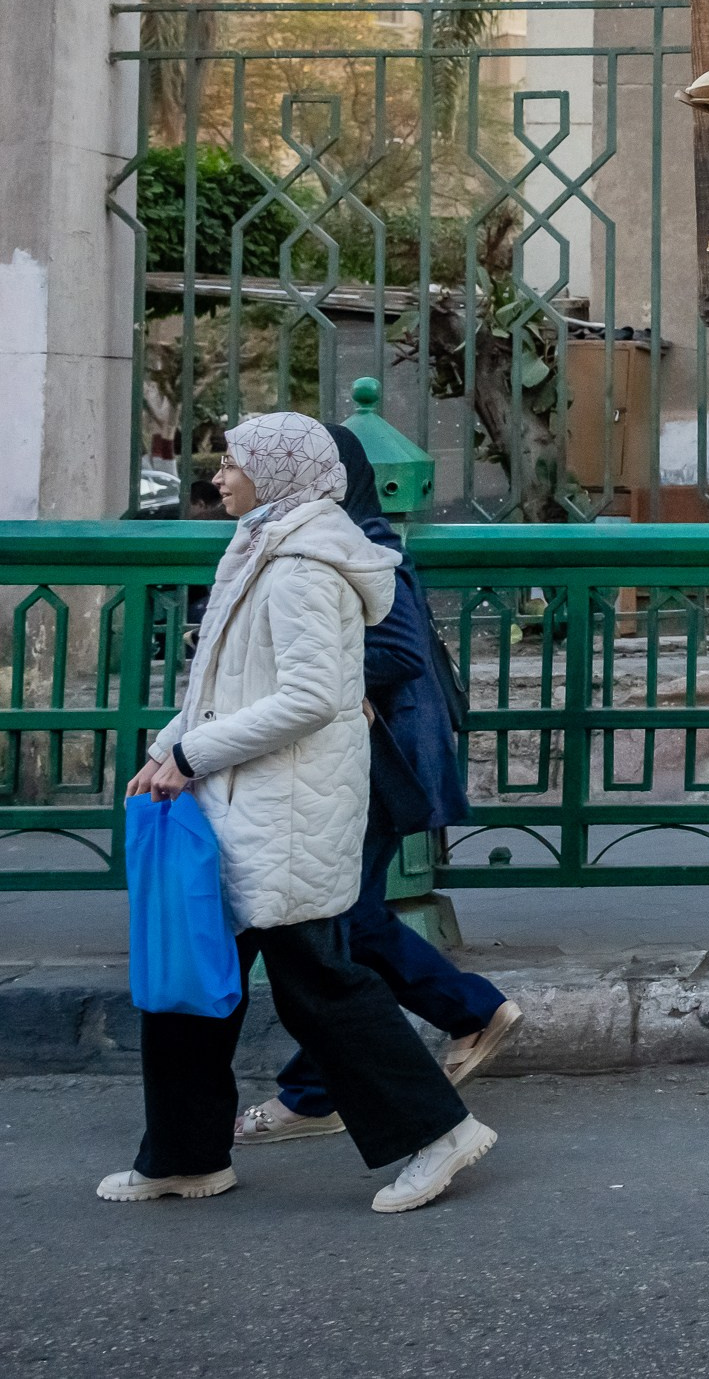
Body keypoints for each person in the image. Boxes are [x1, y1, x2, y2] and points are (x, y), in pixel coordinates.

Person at [101, 412, 499, 1214]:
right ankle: (183, 1155)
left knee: (317, 985)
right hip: (245, 802)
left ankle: (439, 1131)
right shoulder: (263, 544)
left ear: (278, 474)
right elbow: (219, 683)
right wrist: (169, 744)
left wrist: (190, 755)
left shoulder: (303, 566)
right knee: (196, 984)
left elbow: (312, 698)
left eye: (235, 461)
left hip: (284, 813)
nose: (218, 473)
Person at [231, 426, 521, 1145]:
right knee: (336, 921)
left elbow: (394, 651)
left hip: (371, 758)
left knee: (338, 921)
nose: (227, 476)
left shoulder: (354, 542)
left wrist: (309, 670)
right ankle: (323, 1083)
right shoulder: (322, 535)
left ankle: (462, 1016)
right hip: (354, 758)